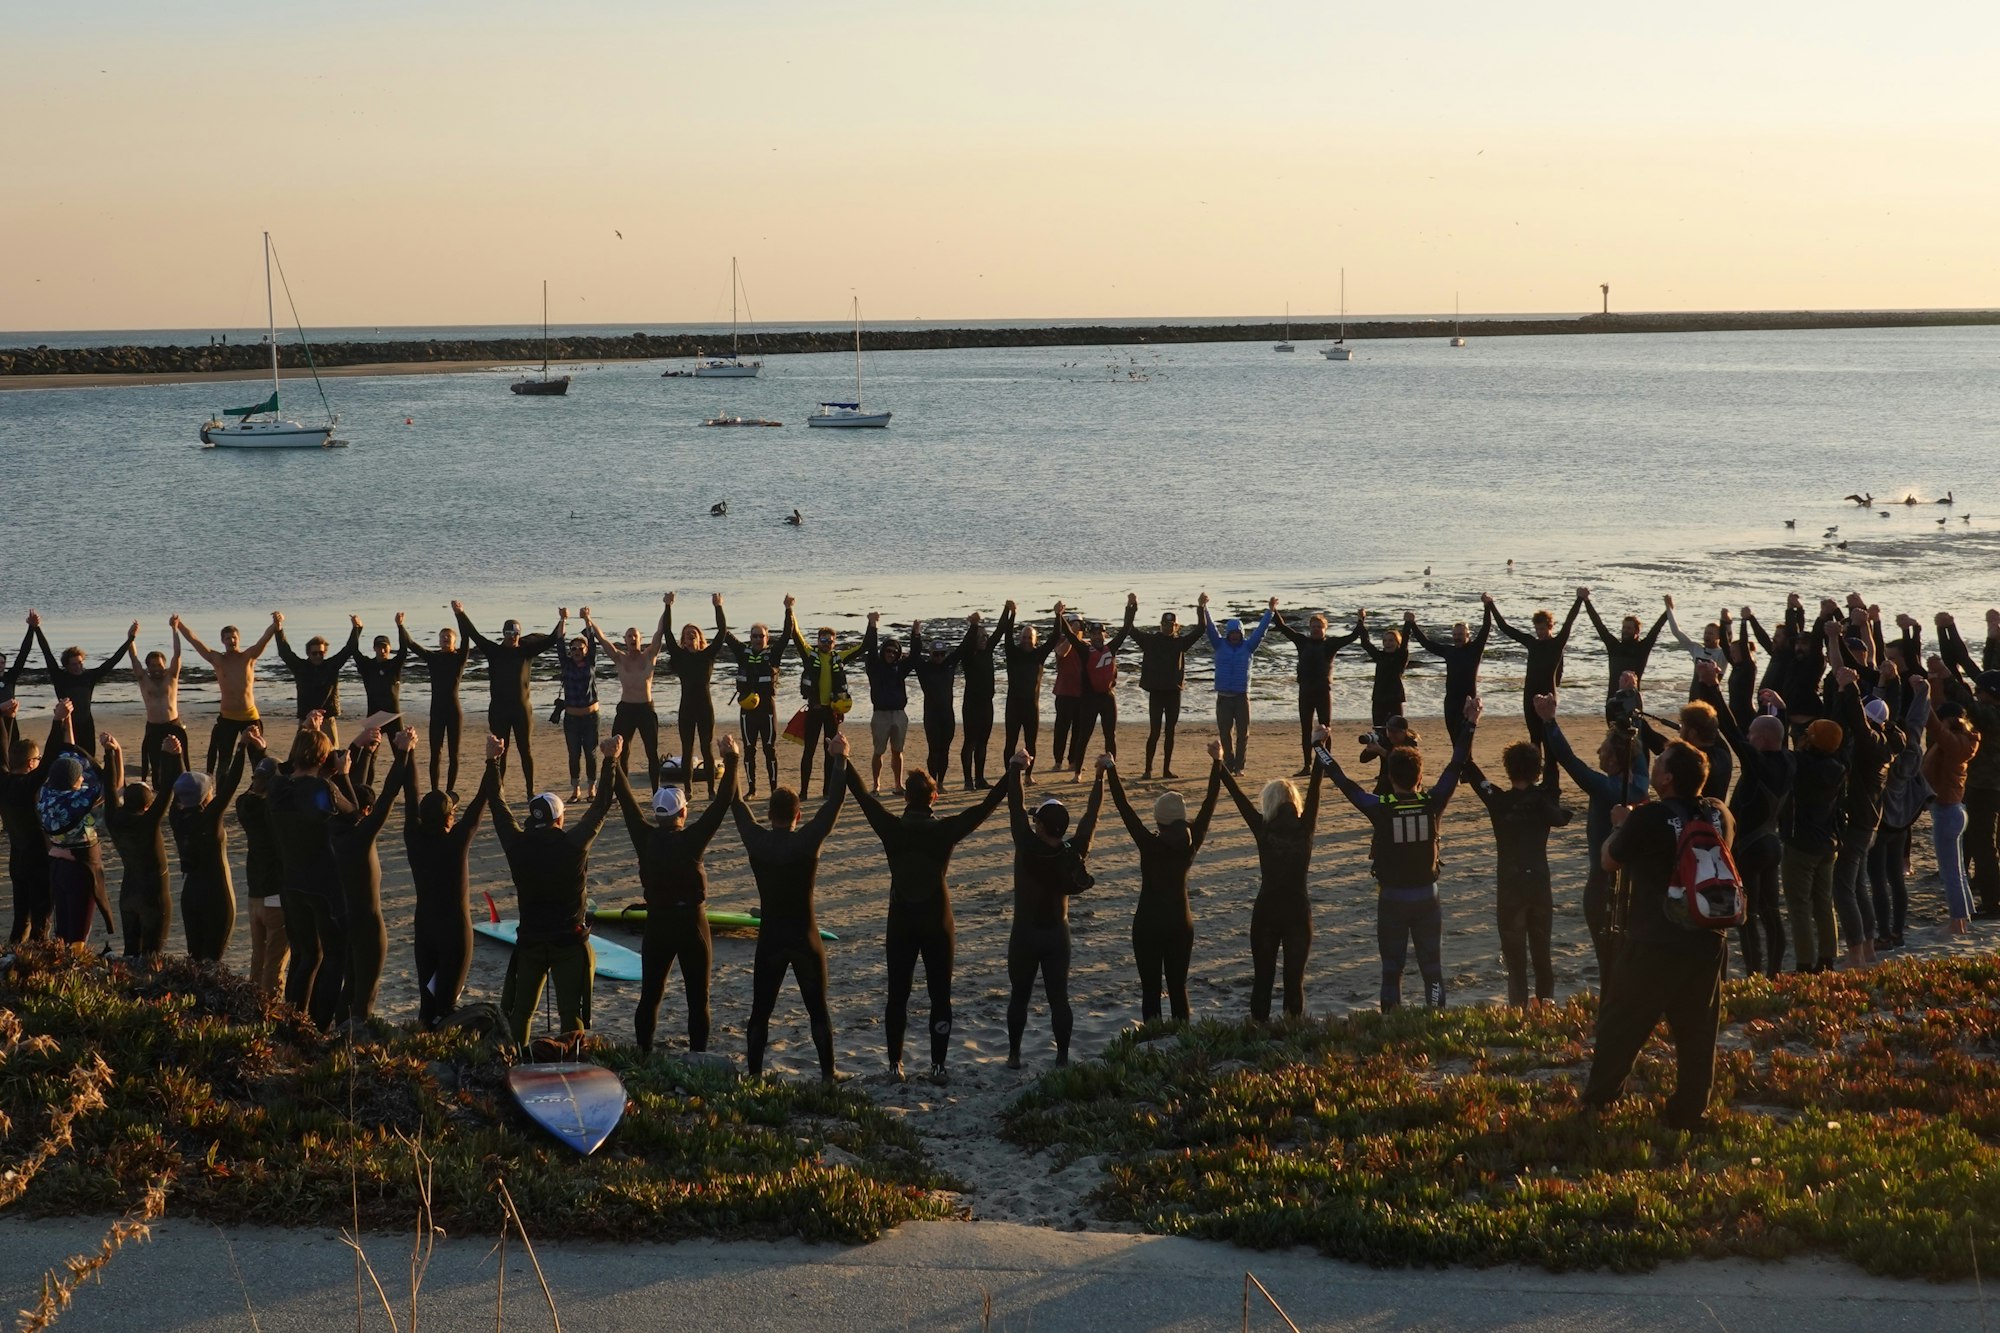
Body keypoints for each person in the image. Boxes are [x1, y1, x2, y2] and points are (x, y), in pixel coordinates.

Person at [1580, 739, 1734, 1133]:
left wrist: (1619, 826)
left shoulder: (1647, 818)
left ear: (1666, 778)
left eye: (1660, 761)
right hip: (1707, 934)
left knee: (1623, 1022)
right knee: (1697, 1029)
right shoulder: (1719, 813)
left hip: (1654, 938)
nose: (1655, 765)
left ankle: (1600, 1100)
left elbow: (1609, 860)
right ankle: (1690, 1110)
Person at [845, 748, 1008, 1081]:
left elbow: (862, 796)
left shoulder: (890, 828)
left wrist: (842, 757)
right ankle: (937, 1066)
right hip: (937, 920)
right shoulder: (944, 831)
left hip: (901, 920)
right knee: (940, 996)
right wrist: (1014, 771)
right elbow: (985, 808)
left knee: (897, 995)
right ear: (934, 797)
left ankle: (895, 1065)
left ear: (905, 796)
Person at [1324, 700, 1480, 1010]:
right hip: (1427, 897)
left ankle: (1391, 1023)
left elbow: (1344, 782)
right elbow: (1456, 762)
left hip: (1392, 898)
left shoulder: (1381, 807)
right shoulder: (1432, 802)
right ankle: (1435, 1018)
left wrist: (1319, 746)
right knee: (1432, 970)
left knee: (1391, 970)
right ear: (1420, 777)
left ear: (1391, 778)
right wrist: (1470, 723)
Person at [486, 733, 620, 1044]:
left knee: (521, 1013)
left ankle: (517, 1062)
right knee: (570, 1013)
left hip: (530, 942)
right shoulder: (574, 845)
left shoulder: (516, 844)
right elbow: (601, 806)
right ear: (559, 819)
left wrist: (492, 761)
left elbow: (497, 804)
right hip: (568, 944)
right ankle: (571, 1062)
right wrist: (610, 761)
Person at [731, 734, 850, 1080]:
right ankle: (828, 1077)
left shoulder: (757, 841)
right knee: (817, 1011)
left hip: (769, 939)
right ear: (798, 815)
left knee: (760, 1013)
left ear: (768, 815)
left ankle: (754, 1076)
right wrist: (840, 757)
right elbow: (834, 803)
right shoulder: (806, 842)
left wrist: (733, 758)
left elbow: (736, 803)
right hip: (805, 938)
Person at [612, 734, 741, 1054]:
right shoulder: (692, 839)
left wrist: (612, 761)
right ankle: (697, 1055)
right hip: (692, 926)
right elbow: (723, 801)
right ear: (682, 814)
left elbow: (627, 803)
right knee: (699, 999)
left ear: (658, 815)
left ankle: (644, 1054)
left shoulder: (645, 837)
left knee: (650, 996)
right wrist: (732, 757)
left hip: (657, 926)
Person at [1537, 689, 1650, 988]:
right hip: (1635, 884)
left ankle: (1610, 1006)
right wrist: (1632, 712)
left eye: (1603, 750)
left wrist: (1550, 722)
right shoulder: (1639, 781)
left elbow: (1570, 761)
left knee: (1608, 961)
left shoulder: (1607, 790)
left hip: (1603, 885)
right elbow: (1637, 747)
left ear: (1613, 760)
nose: (1598, 753)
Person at [1002, 748, 1103, 1068]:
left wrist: (1016, 768)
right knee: (1059, 998)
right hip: (1058, 935)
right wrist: (1100, 777)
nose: (1032, 824)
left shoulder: (1026, 844)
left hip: (1025, 934)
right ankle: (1061, 1057)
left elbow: (1015, 807)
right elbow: (1090, 816)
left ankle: (1015, 1055)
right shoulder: (1073, 852)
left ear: (1041, 827)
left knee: (1019, 996)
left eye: (1036, 822)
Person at [1105, 751, 1224, 1023]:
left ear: (1159, 820)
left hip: (1147, 923)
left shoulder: (1150, 844)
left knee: (1150, 991)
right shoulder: (1192, 841)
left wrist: (1111, 768)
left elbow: (1125, 808)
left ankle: (1153, 1041)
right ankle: (1183, 1041)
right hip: (1181, 924)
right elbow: (1210, 802)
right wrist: (1217, 761)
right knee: (1178, 988)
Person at [1217, 734, 1327, 1020]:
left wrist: (1218, 762)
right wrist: (1321, 745)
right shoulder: (1306, 827)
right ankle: (1290, 1037)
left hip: (1266, 911)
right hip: (1298, 911)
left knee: (1262, 981)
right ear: (1294, 802)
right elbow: (1316, 785)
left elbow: (1237, 796)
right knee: (1294, 983)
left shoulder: (1263, 827)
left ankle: (1258, 1033)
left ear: (1270, 802)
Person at [1464, 732, 1572, 1007]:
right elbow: (1554, 776)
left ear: (1507, 769)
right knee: (1542, 954)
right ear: (1537, 771)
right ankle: (1546, 1009)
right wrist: (1547, 727)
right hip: (1538, 881)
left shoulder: (1498, 800)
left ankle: (1518, 1012)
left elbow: (1472, 771)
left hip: (1511, 884)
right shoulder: (1545, 799)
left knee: (1515, 961)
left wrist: (1468, 726)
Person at [1698, 668, 1794, 977]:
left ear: (1762, 740)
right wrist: (1781, 711)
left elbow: (1732, 731)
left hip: (1751, 847)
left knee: (1749, 914)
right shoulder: (1788, 760)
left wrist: (1713, 688)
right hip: (1771, 842)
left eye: (1754, 735)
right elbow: (1780, 733)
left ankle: (1754, 972)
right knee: (1770, 912)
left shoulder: (1759, 764)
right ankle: (1774, 972)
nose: (1748, 739)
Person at [400, 725, 489, 1029]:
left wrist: (407, 751)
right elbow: (481, 801)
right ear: (450, 818)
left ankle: (423, 1052)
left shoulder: (413, 835)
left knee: (427, 1005)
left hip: (424, 928)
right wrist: (493, 761)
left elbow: (410, 793)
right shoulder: (455, 842)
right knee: (446, 1007)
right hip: (454, 933)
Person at [266, 716, 352, 1027]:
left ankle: (292, 1021)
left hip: (292, 882)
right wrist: (342, 775)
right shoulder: (323, 789)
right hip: (324, 884)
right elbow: (353, 814)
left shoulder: (277, 787)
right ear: (325, 758)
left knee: (304, 957)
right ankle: (318, 1024)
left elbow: (289, 771)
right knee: (333, 958)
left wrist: (307, 740)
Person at [330, 727, 410, 1025]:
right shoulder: (361, 835)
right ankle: (356, 1043)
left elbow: (348, 801)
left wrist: (355, 758)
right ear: (367, 810)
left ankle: (336, 1035)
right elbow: (388, 794)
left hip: (345, 919)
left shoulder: (333, 827)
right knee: (365, 994)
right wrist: (403, 753)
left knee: (348, 986)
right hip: (368, 923)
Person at [454, 602, 566, 801]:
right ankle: (499, 791)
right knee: (499, 752)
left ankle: (530, 792)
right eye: (509, 633)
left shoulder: (526, 651)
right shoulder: (494, 651)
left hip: (522, 709)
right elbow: (474, 635)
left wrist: (563, 619)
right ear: (503, 633)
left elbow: (552, 639)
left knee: (526, 750)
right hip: (499, 709)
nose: (512, 637)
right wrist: (460, 613)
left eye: (515, 633)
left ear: (519, 635)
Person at [1825, 660, 1898, 967]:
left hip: (1859, 822)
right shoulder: (1886, 742)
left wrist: (1850, 688)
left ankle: (1856, 951)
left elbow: (1857, 723)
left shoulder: (1874, 744)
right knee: (1857, 886)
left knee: (1843, 887)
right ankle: (1867, 948)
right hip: (1869, 821)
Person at [1485, 589, 1585, 784]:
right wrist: (1490, 605)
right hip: (1530, 695)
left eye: (1543, 629)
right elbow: (1505, 628)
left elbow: (1570, 622)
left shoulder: (1558, 643)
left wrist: (1579, 599)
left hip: (1548, 695)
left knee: (1549, 740)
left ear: (1550, 627)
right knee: (1534, 738)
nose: (1539, 634)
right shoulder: (1531, 642)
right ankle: (1532, 778)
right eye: (1537, 630)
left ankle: (1551, 781)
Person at [167, 734, 248, 964]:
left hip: (190, 895)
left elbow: (181, 784)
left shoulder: (176, 816)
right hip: (217, 897)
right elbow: (231, 784)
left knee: (195, 958)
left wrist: (177, 755)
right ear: (206, 797)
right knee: (213, 960)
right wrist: (241, 748)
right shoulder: (210, 820)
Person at [38, 702, 114, 946]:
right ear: (74, 782)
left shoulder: (46, 797)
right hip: (80, 871)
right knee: (79, 933)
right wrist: (114, 754)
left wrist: (67, 723)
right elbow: (111, 786)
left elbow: (68, 757)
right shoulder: (79, 803)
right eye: (80, 777)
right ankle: (74, 972)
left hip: (58, 867)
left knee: (63, 927)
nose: (84, 779)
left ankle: (61, 964)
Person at [1782, 713, 1849, 973]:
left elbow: (1789, 750)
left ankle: (1804, 962)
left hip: (1801, 844)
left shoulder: (1800, 765)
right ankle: (1827, 957)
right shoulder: (1839, 766)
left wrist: (1782, 711)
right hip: (1828, 842)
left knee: (1798, 905)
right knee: (1823, 902)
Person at [1869, 670, 1929, 951]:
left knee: (1878, 880)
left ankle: (1883, 934)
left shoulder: (1882, 753)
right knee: (1896, 878)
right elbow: (1917, 719)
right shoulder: (1913, 748)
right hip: (1902, 822)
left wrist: (1882, 688)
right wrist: (1922, 692)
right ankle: (1897, 933)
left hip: (1881, 822)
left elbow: (1873, 721)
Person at [102, 731, 176, 959]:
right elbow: (167, 790)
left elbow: (109, 788)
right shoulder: (148, 822)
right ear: (147, 807)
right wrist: (171, 755)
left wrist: (110, 753)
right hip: (153, 896)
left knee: (130, 954)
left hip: (128, 894)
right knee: (152, 956)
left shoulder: (113, 818)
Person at [180, 613, 281, 775]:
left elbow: (265, 638)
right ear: (222, 641)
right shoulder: (217, 660)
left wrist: (276, 622)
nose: (231, 641)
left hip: (249, 716)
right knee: (224, 759)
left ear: (238, 639)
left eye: (234, 637)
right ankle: (221, 790)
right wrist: (179, 625)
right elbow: (194, 640)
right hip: (228, 717)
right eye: (227, 638)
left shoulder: (248, 657)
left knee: (257, 758)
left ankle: (261, 791)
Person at [584, 599, 669, 792]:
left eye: (635, 636)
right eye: (629, 636)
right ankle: (623, 791)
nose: (632, 639)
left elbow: (659, 632)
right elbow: (603, 639)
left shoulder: (649, 656)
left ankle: (656, 791)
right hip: (626, 710)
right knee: (621, 752)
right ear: (625, 640)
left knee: (652, 752)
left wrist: (667, 607)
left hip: (646, 709)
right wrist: (588, 620)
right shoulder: (619, 658)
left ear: (640, 639)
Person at [0, 711, 66, 943]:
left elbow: (1, 751)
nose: (38, 763)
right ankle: (37, 961)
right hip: (38, 860)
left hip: (17, 858)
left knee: (21, 919)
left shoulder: (3, 781)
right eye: (35, 760)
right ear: (30, 764)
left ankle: (13, 962)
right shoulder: (27, 785)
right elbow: (50, 759)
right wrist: (58, 721)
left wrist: (5, 718)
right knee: (41, 921)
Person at [30, 610, 137, 753]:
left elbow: (112, 661)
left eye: (80, 663)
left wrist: (130, 639)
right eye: (74, 664)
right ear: (66, 665)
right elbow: (46, 652)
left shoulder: (89, 676)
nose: (78, 667)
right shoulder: (60, 677)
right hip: (67, 724)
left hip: (87, 724)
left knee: (88, 758)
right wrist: (36, 628)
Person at [721, 600, 794, 798]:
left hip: (767, 710)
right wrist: (719, 607)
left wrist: (788, 609)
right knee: (749, 749)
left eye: (761, 636)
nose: (757, 639)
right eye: (754, 636)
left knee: (769, 749)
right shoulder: (742, 653)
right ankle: (752, 790)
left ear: (767, 638)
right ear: (750, 638)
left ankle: (773, 789)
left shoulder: (773, 654)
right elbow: (724, 632)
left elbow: (787, 634)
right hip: (747, 712)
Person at [234, 736, 288, 998]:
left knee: (259, 955)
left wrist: (257, 754)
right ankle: (270, 1009)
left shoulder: (244, 806)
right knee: (275, 963)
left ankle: (252, 1003)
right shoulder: (275, 815)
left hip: (254, 892)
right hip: (275, 893)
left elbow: (255, 788)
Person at [1273, 608, 1357, 775]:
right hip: (1305, 692)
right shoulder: (1302, 642)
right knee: (1306, 730)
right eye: (1313, 626)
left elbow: (1352, 637)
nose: (1316, 629)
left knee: (1325, 729)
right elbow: (1282, 628)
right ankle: (1307, 766)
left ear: (1325, 629)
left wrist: (1361, 620)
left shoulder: (1330, 645)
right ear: (1309, 628)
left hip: (1323, 692)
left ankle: (1327, 766)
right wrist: (1273, 610)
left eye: (1319, 626)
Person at [1924, 683, 1979, 935]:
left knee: (1951, 872)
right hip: (1954, 809)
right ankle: (1964, 916)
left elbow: (1933, 726)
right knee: (1956, 870)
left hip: (1948, 810)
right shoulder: (1963, 741)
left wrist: (1922, 696)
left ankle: (1957, 922)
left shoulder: (1954, 744)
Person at [787, 616, 863, 799]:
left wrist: (872, 625)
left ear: (834, 642)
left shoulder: (839, 657)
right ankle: (804, 791)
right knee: (809, 751)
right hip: (814, 711)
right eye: (823, 640)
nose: (826, 643)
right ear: (818, 641)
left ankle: (827, 791)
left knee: (831, 752)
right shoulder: (809, 654)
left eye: (830, 641)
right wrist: (790, 611)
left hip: (831, 712)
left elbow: (863, 647)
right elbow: (796, 636)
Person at [663, 592, 730, 796]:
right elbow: (667, 631)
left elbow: (722, 631)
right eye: (687, 633)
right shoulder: (680, 656)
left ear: (700, 638)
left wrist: (718, 607)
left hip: (704, 708)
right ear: (683, 640)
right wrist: (668, 606)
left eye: (694, 632)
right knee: (686, 750)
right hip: (686, 708)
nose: (690, 634)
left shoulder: (707, 655)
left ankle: (711, 789)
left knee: (706, 748)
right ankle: (689, 790)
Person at [1202, 595, 1277, 775]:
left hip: (1242, 697)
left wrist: (1270, 611)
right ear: (1228, 633)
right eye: (1232, 633)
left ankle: (1240, 766)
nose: (1235, 635)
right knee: (1225, 734)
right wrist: (1203, 607)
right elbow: (1210, 628)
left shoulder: (1248, 647)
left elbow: (1260, 631)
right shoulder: (1219, 645)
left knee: (1242, 734)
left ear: (1241, 634)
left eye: (1237, 633)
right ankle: (1228, 763)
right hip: (1224, 698)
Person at [397, 613, 472, 793]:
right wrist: (400, 626)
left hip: (454, 711)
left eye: (449, 637)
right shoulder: (433, 658)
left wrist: (459, 614)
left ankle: (449, 792)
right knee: (435, 754)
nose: (446, 639)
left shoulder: (459, 658)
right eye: (443, 637)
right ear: (439, 640)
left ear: (454, 641)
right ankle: (435, 791)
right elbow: (411, 645)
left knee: (453, 754)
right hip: (437, 711)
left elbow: (467, 638)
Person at [1129, 600, 1204, 779]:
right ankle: (1147, 770)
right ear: (1160, 625)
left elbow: (1201, 629)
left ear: (1176, 626)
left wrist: (1201, 607)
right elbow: (1130, 629)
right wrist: (1132, 607)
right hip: (1156, 692)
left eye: (1171, 625)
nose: (1167, 627)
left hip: (1173, 693)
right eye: (1164, 624)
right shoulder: (1150, 641)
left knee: (1170, 732)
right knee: (1154, 732)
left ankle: (1166, 770)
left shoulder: (1181, 643)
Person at [1055, 609, 1130, 778]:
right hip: (1089, 699)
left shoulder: (1111, 649)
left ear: (1105, 635)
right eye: (1094, 634)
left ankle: (1112, 771)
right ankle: (1077, 773)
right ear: (1090, 636)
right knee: (1084, 736)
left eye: (1100, 634)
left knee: (1110, 736)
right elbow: (1069, 634)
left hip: (1108, 698)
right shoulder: (1084, 650)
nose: (1097, 637)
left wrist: (1130, 607)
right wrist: (1059, 615)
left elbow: (1125, 629)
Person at [1404, 605, 1493, 746]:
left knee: (1464, 743)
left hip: (1467, 703)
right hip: (1450, 702)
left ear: (1468, 635)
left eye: (1461, 634)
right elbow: (1426, 643)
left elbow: (1486, 627)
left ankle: (1462, 766)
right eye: (1455, 635)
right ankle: (1460, 766)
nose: (1457, 637)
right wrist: (1412, 624)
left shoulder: (1475, 649)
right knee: (1455, 741)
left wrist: (1487, 606)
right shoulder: (1448, 651)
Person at [274, 615, 362, 745]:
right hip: (306, 717)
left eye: (321, 653)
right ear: (308, 653)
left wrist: (356, 628)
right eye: (314, 653)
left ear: (325, 652)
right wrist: (278, 628)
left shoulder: (331, 665)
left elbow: (348, 650)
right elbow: (284, 652)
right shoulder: (300, 667)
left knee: (332, 753)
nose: (317, 656)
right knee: (303, 752)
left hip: (326, 718)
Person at [861, 612, 916, 793]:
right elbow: (870, 646)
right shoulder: (874, 666)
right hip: (880, 714)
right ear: (883, 651)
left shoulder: (900, 668)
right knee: (879, 751)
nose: (890, 654)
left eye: (894, 652)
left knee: (897, 751)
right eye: (888, 651)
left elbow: (915, 656)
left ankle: (898, 784)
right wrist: (873, 625)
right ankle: (876, 784)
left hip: (899, 714)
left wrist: (916, 634)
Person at [910, 617, 968, 783]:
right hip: (931, 716)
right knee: (933, 750)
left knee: (945, 750)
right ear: (931, 654)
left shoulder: (949, 664)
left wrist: (973, 626)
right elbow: (914, 654)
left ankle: (940, 782)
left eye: (942, 654)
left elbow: (962, 648)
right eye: (936, 654)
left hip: (947, 715)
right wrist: (915, 634)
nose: (939, 657)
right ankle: (933, 781)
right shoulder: (924, 668)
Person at [1582, 593, 1669, 702]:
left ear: (1637, 631)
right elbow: (1598, 625)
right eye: (1624, 627)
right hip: (1613, 698)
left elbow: (1656, 629)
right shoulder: (1614, 646)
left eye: (1629, 628)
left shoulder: (1642, 648)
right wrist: (1586, 601)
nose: (1625, 630)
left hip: (1633, 699)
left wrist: (1668, 610)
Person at [958, 607, 1009, 790]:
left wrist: (1007, 609)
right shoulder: (968, 656)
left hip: (987, 704)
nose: (984, 640)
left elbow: (1000, 630)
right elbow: (965, 644)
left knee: (982, 743)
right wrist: (974, 626)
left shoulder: (987, 652)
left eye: (984, 637)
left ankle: (980, 779)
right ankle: (967, 780)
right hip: (972, 705)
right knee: (970, 742)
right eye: (980, 638)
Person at [1002, 609, 1059, 768]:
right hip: (1013, 705)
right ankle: (1009, 773)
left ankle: (1028, 775)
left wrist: (1058, 615)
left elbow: (1054, 638)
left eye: (1030, 638)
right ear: (1020, 638)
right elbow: (1007, 634)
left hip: (1031, 706)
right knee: (1010, 742)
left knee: (1031, 743)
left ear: (1035, 640)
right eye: (1024, 637)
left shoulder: (1039, 654)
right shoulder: (1013, 653)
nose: (1026, 640)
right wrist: (1012, 614)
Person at [351, 628, 409, 786]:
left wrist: (400, 626)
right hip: (375, 717)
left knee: (400, 753)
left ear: (389, 649)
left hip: (393, 716)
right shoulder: (367, 666)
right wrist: (356, 628)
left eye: (385, 647)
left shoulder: (394, 665)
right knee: (369, 755)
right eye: (379, 647)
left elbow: (404, 650)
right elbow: (353, 650)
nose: (382, 650)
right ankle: (366, 788)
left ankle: (407, 786)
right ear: (374, 648)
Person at [134, 625, 188, 784]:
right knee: (155, 764)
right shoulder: (144, 680)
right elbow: (133, 658)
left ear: (164, 665)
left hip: (173, 725)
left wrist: (175, 629)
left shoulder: (171, 678)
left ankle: (181, 790)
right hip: (154, 727)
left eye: (159, 665)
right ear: (148, 667)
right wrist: (132, 637)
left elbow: (177, 654)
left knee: (179, 760)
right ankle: (157, 790)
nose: (156, 668)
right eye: (153, 665)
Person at [557, 631, 601, 801]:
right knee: (574, 754)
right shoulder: (566, 665)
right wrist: (563, 620)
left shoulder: (590, 662)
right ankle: (576, 790)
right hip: (572, 718)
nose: (576, 651)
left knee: (591, 754)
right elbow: (559, 644)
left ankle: (591, 788)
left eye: (580, 648)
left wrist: (587, 620)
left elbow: (593, 641)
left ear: (586, 650)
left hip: (590, 717)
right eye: (573, 648)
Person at [1354, 611, 1411, 728]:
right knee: (1379, 729)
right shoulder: (1379, 656)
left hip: (1395, 697)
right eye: (1385, 641)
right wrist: (1361, 620)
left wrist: (1408, 622)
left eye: (1391, 640)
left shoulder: (1401, 656)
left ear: (1397, 643)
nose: (1387, 643)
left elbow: (1405, 640)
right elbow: (1365, 643)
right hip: (1379, 697)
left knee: (1396, 729)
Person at [0, 620, 35, 762]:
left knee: (13, 754)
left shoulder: (10, 678)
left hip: (11, 722)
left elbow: (23, 654)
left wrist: (31, 629)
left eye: (2, 663)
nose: (0, 666)